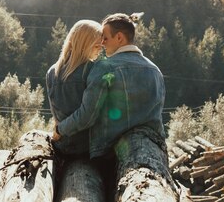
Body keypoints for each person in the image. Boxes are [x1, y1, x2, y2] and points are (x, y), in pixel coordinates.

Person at [53, 12, 166, 160]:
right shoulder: (155, 70)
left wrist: (59, 129)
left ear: (119, 37)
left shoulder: (104, 68)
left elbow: (87, 115)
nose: (102, 43)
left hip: (110, 154)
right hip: (153, 148)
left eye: (105, 38)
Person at [46, 19, 103, 157]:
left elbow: (55, 114)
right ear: (85, 45)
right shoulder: (93, 70)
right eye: (97, 46)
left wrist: (59, 130)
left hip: (62, 146)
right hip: (89, 148)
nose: (100, 50)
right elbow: (88, 116)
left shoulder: (52, 71)